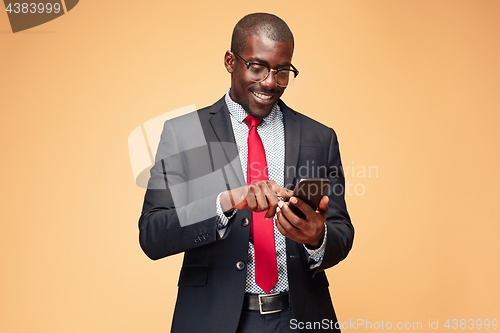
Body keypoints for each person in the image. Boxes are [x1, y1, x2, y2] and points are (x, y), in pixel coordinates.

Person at [139, 13, 354, 333]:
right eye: (258, 67)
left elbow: (342, 231)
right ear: (230, 61)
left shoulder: (319, 138)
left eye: (282, 72)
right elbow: (153, 234)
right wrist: (225, 201)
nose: (270, 82)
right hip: (213, 320)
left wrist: (317, 238)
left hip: (301, 319)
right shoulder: (186, 134)